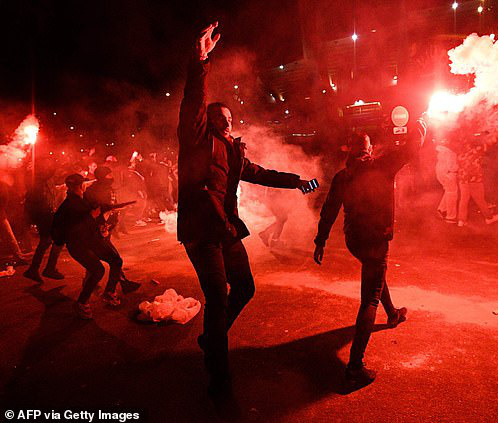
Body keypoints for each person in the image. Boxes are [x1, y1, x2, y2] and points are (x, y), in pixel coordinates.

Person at [177, 21, 317, 409]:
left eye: (231, 119)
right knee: (218, 300)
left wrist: (298, 182)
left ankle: (212, 337)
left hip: (226, 230)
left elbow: (260, 174)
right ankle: (218, 378)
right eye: (223, 118)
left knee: (245, 289)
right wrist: (200, 60)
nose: (229, 122)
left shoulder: (234, 151)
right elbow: (193, 98)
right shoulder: (196, 138)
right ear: (210, 120)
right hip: (201, 233)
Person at [313, 120, 425, 389]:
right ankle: (354, 367)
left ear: (348, 152)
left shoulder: (342, 176)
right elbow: (413, 147)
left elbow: (329, 209)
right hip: (375, 239)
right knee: (369, 298)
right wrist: (421, 123)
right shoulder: (382, 165)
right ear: (369, 148)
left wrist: (321, 240)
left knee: (374, 273)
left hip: (354, 239)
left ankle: (393, 313)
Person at [51, 174, 124, 319]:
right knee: (98, 270)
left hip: (91, 241)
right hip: (78, 245)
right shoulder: (70, 205)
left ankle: (109, 292)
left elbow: (91, 215)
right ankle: (82, 302)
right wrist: (93, 217)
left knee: (116, 260)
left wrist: (101, 220)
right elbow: (77, 228)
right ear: (81, 186)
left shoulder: (78, 200)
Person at [84, 166, 141, 295]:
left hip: (104, 228)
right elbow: (95, 211)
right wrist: (104, 222)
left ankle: (122, 282)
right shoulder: (95, 191)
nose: (111, 178)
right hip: (98, 230)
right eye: (109, 175)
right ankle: (109, 291)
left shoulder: (103, 189)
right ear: (102, 177)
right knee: (114, 259)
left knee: (108, 257)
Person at [23, 161, 64, 283]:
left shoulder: (46, 179)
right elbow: (37, 197)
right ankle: (48, 268)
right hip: (42, 214)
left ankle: (35, 269)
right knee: (55, 239)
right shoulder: (36, 178)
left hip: (46, 213)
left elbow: (50, 192)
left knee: (47, 241)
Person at [456, 133, 498, 227]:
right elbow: (487, 146)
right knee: (480, 199)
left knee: (463, 200)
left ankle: (461, 221)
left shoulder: (460, 153)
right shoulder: (476, 150)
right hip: (475, 178)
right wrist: (493, 137)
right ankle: (489, 218)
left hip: (463, 179)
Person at [434, 137, 459, 224]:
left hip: (442, 174)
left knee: (448, 192)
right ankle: (450, 217)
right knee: (452, 195)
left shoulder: (441, 152)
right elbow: (451, 166)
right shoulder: (450, 153)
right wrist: (458, 168)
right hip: (449, 175)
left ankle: (441, 209)